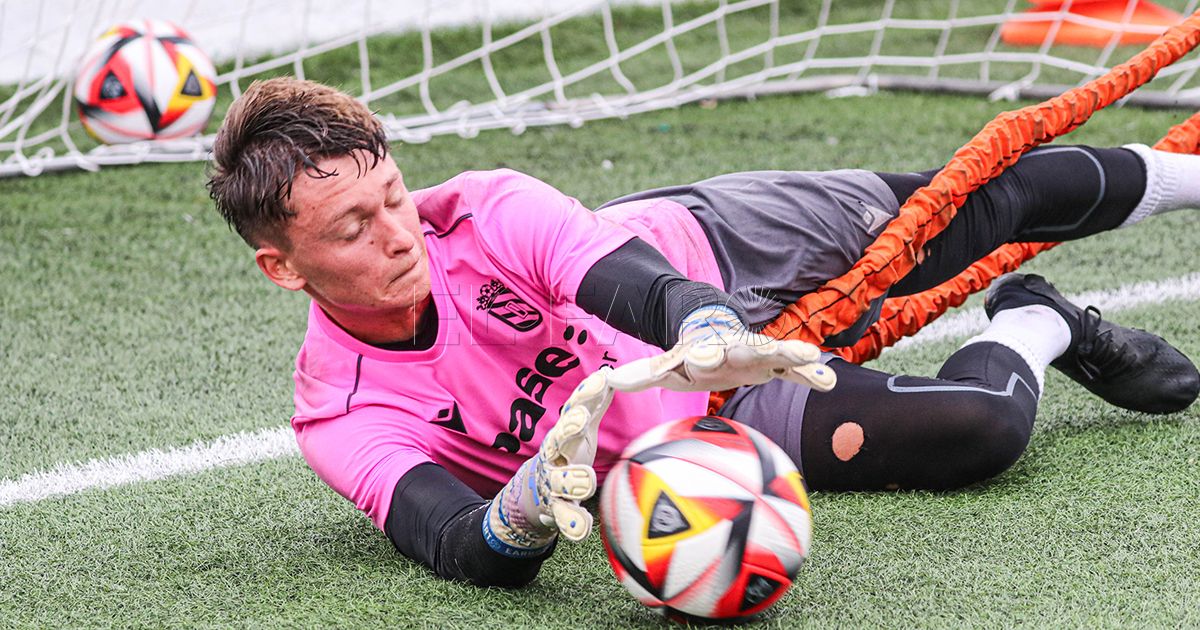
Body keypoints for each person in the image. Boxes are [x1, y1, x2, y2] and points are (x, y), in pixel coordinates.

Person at [207, 77, 1199, 588]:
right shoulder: (340, 415)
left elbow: (637, 288)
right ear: (283, 267)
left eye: (391, 194)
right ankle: (1039, 322)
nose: (400, 232)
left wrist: (711, 324)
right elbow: (458, 548)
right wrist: (521, 507)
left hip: (711, 250)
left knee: (974, 208)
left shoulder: (478, 209)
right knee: (982, 431)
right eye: (353, 227)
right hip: (692, 421)